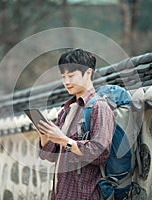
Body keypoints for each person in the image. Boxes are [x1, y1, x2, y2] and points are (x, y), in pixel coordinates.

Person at [37, 48, 114, 200]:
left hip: (86, 194)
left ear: (88, 73)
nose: (66, 81)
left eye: (71, 75)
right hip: (61, 193)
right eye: (63, 76)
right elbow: (50, 156)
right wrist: (44, 136)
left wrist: (64, 141)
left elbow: (100, 152)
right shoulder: (66, 110)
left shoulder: (99, 107)